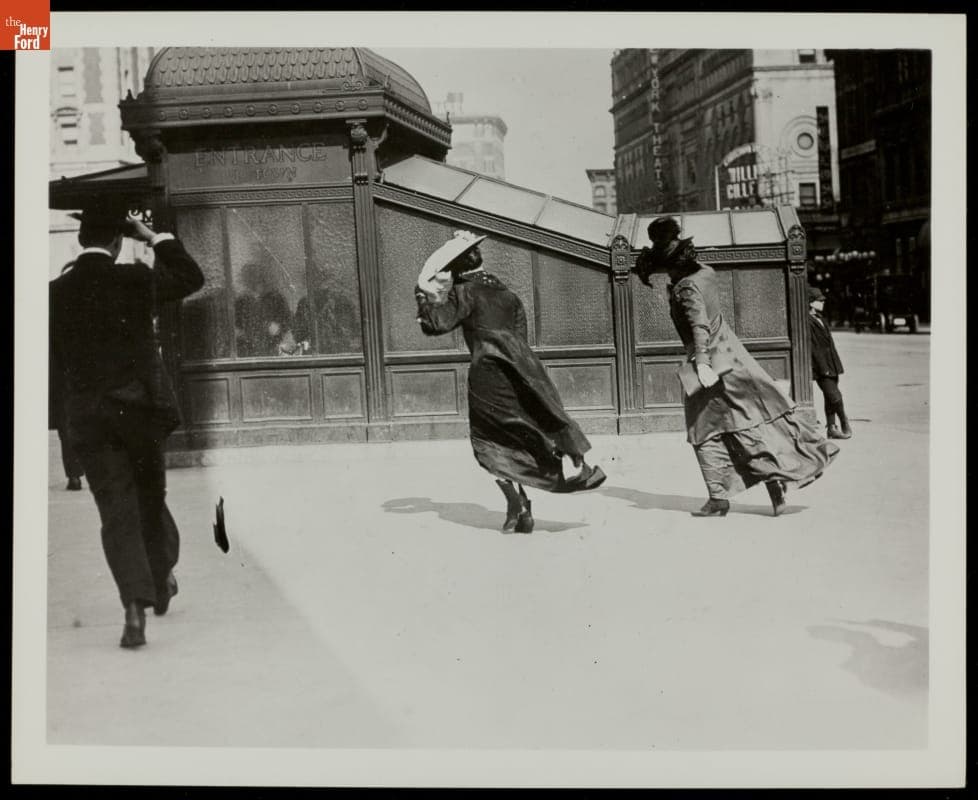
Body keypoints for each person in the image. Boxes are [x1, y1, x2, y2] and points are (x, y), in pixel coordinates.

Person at [49, 200, 204, 648]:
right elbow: (191, 278)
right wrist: (153, 238)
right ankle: (161, 579)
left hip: (88, 418)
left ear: (79, 242)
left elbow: (53, 365)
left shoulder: (54, 293)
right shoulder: (133, 279)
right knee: (149, 501)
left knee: (115, 512)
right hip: (135, 411)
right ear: (118, 243)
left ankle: (134, 609)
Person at [634, 217, 838, 518]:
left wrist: (701, 362)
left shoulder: (685, 287)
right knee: (750, 421)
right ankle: (774, 486)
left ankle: (718, 498)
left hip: (709, 365)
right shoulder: (706, 273)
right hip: (734, 357)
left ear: (670, 263)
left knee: (703, 430)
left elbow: (698, 325)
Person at [414, 230, 606, 533]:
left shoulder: (464, 292)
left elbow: (437, 324)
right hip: (524, 371)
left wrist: (423, 298)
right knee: (524, 432)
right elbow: (521, 337)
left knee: (490, 443)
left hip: (489, 375)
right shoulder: (508, 295)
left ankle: (516, 504)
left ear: (457, 267)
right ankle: (545, 487)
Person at [48, 266, 85, 491]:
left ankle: (74, 475)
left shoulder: (53, 297)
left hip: (62, 375)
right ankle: (76, 473)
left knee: (66, 427)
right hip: (81, 374)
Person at [808, 286, 852, 439]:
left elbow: (829, 344)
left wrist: (835, 364)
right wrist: (823, 367)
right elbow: (813, 348)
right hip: (822, 366)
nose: (822, 302)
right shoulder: (807, 321)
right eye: (819, 300)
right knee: (834, 395)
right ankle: (844, 421)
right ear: (810, 303)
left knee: (829, 397)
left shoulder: (821, 319)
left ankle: (831, 428)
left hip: (831, 363)